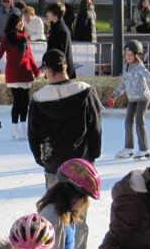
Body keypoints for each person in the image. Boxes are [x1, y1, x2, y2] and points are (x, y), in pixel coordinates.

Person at [28, 48, 102, 188]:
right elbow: (95, 127)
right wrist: (93, 155)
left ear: (47, 69)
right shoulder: (85, 91)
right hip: (80, 162)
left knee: (55, 208)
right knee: (79, 207)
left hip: (53, 163)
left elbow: (33, 133)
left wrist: (41, 159)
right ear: (66, 67)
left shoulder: (38, 98)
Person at [36, 158, 101, 249]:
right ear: (72, 194)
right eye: (84, 197)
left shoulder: (66, 213)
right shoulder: (52, 216)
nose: (85, 203)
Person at [0, 12, 41, 139]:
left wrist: (36, 70)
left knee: (26, 101)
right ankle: (14, 127)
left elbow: (29, 55)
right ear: (13, 23)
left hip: (26, 72)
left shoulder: (25, 35)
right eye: (19, 21)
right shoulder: (8, 37)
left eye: (22, 21)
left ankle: (23, 126)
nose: (21, 23)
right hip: (14, 72)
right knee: (18, 101)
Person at [108, 39, 150, 160]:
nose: (128, 57)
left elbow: (149, 75)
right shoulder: (125, 67)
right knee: (128, 121)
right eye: (126, 55)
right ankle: (129, 147)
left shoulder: (139, 67)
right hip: (132, 98)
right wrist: (113, 95)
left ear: (137, 55)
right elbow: (123, 84)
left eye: (130, 55)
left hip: (143, 97)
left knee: (139, 120)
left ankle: (144, 149)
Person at [45, 1, 76, 80]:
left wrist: (53, 70)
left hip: (60, 72)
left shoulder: (60, 30)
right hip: (59, 71)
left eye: (49, 12)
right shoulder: (58, 27)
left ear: (55, 14)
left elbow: (59, 53)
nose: (47, 14)